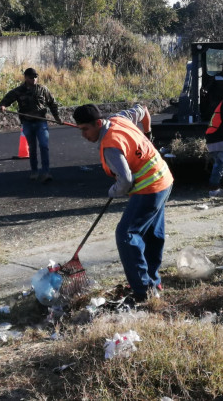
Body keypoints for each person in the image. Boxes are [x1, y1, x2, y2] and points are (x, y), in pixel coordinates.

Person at [72, 103, 174, 304]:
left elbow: (125, 181)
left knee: (126, 234)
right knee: (152, 233)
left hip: (150, 188)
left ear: (98, 123)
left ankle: (143, 291)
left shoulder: (111, 146)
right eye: (80, 129)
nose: (83, 134)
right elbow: (142, 110)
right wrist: (148, 132)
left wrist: (113, 190)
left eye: (85, 129)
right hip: (164, 179)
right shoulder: (120, 118)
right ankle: (153, 281)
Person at [0, 68, 62, 182]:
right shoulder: (19, 91)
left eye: (35, 77)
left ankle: (46, 172)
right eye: (31, 77)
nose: (34, 79)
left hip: (41, 122)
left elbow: (52, 104)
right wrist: (3, 105)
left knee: (44, 146)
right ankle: (34, 171)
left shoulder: (42, 89)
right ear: (26, 78)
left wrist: (57, 118)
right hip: (27, 123)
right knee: (32, 148)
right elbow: (7, 99)